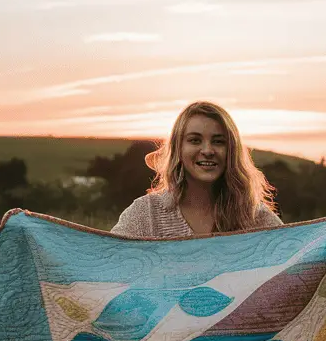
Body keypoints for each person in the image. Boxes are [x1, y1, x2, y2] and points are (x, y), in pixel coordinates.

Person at [110, 100, 284, 238]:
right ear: (178, 150)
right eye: (195, 140)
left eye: (218, 141)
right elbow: (106, 265)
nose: (208, 151)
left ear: (231, 151)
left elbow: (294, 268)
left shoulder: (255, 217)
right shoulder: (147, 214)